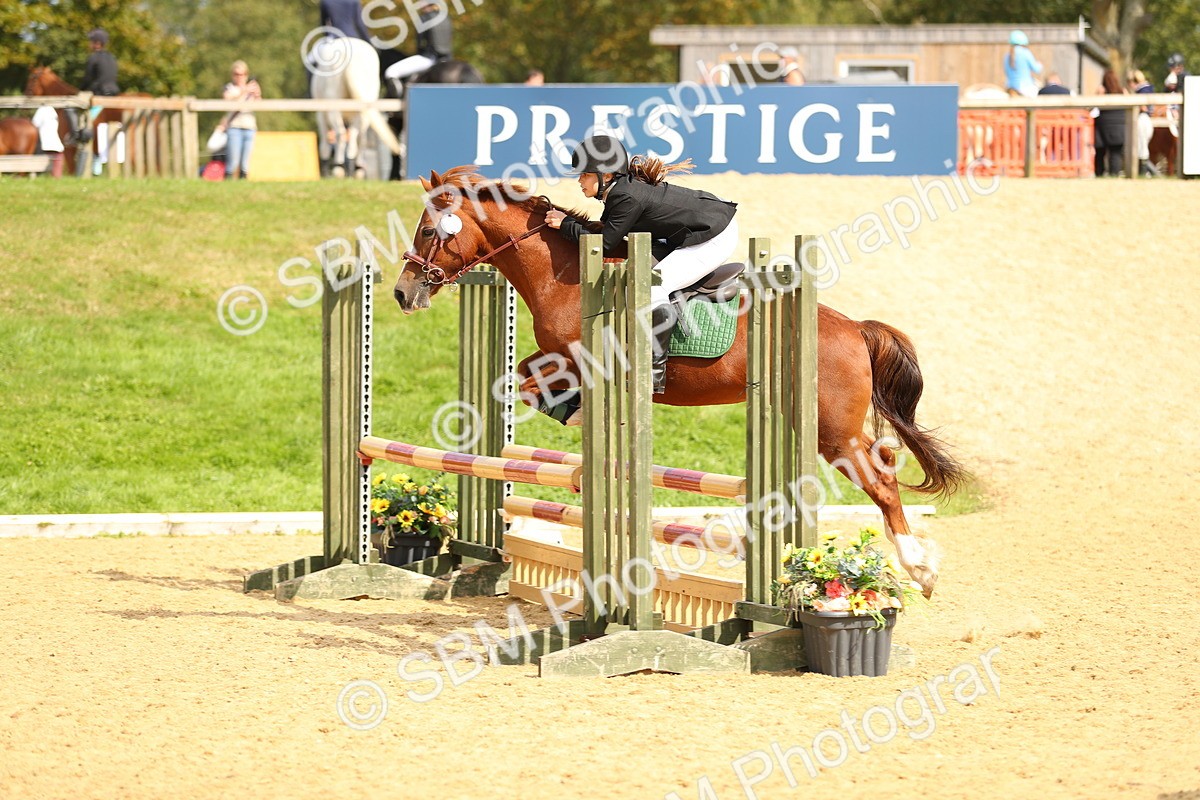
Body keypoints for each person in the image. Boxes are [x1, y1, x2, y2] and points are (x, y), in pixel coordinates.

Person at [545, 135, 739, 395]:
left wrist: (565, 224)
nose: (580, 180)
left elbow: (602, 244)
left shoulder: (625, 196)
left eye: (586, 174)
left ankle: (654, 371)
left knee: (652, 287)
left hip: (713, 235)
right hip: (691, 230)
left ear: (607, 174)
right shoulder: (620, 191)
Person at [383, 2, 452, 88]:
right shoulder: (446, 18)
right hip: (447, 59)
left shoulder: (424, 18)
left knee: (391, 72)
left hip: (429, 58)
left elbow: (420, 44)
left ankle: (401, 98)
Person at [82, 28, 120, 175]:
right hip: (114, 96)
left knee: (86, 122)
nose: (90, 44)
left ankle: (94, 158)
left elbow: (88, 79)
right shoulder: (111, 57)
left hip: (100, 97)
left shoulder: (94, 58)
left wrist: (81, 91)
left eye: (91, 42)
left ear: (97, 43)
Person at [217, 61, 261, 180]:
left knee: (245, 163)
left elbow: (259, 105)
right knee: (233, 160)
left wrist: (257, 94)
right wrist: (244, 91)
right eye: (237, 74)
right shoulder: (229, 88)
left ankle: (243, 184)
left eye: (242, 74)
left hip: (250, 127)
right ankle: (228, 182)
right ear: (232, 75)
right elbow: (227, 101)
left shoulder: (251, 88)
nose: (240, 77)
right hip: (234, 127)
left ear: (246, 75)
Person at [1093, 70, 1127, 177]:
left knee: (1100, 153)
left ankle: (1099, 173)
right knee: (1115, 153)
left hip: (1103, 124)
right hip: (1119, 126)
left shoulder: (1102, 92)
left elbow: (1092, 106)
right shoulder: (1123, 92)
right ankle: (1114, 175)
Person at [1128, 69, 1159, 176]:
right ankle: (1149, 173)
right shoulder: (1149, 88)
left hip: (1142, 118)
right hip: (1147, 119)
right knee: (1142, 147)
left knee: (1141, 148)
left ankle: (1146, 172)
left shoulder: (1142, 91)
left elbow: (1143, 107)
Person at [1003, 30, 1042, 97]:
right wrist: (1040, 64)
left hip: (1009, 87)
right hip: (1026, 88)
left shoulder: (1007, 56)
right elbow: (1037, 69)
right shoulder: (1025, 52)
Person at [31, 105, 64, 178]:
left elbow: (34, 124)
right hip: (52, 143)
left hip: (44, 143)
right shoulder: (50, 109)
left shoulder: (43, 109)